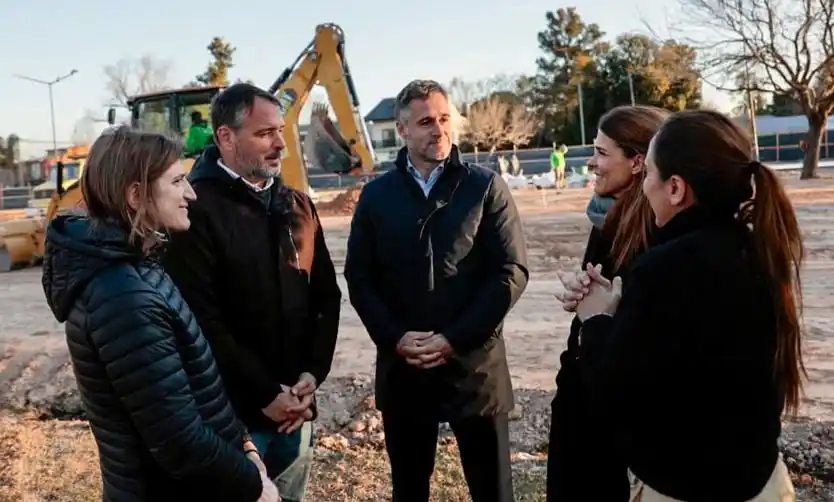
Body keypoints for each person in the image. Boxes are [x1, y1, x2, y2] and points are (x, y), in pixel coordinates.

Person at [559, 109, 802, 501]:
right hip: (760, 480)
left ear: (675, 188)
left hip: (689, 485)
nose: (643, 188)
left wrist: (599, 319)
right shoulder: (756, 249)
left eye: (649, 174)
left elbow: (616, 393)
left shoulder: (667, 267)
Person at [41, 127, 280, 502]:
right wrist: (254, 486)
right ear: (136, 195)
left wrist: (243, 444)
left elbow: (199, 390)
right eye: (178, 181)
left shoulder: (138, 267)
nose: (191, 193)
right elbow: (177, 439)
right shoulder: (122, 297)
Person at [344, 79, 530, 502]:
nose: (439, 130)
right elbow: (360, 277)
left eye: (445, 118)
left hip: (475, 368)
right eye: (426, 121)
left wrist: (454, 339)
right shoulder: (376, 197)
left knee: (493, 491)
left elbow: (511, 271)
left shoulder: (484, 187)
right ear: (403, 129)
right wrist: (395, 338)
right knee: (409, 490)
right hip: (404, 370)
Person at [163, 83, 342, 502]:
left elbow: (326, 296)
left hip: (297, 412)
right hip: (231, 422)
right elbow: (200, 321)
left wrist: (311, 375)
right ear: (226, 137)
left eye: (280, 131)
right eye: (265, 134)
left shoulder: (296, 204)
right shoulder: (193, 210)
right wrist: (263, 395)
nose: (280, 143)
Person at [547, 105, 667, 501]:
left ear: (637, 162)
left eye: (601, 153)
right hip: (584, 383)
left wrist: (603, 312)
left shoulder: (659, 230)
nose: (591, 163)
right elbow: (599, 295)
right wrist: (581, 295)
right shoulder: (607, 219)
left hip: (621, 397)